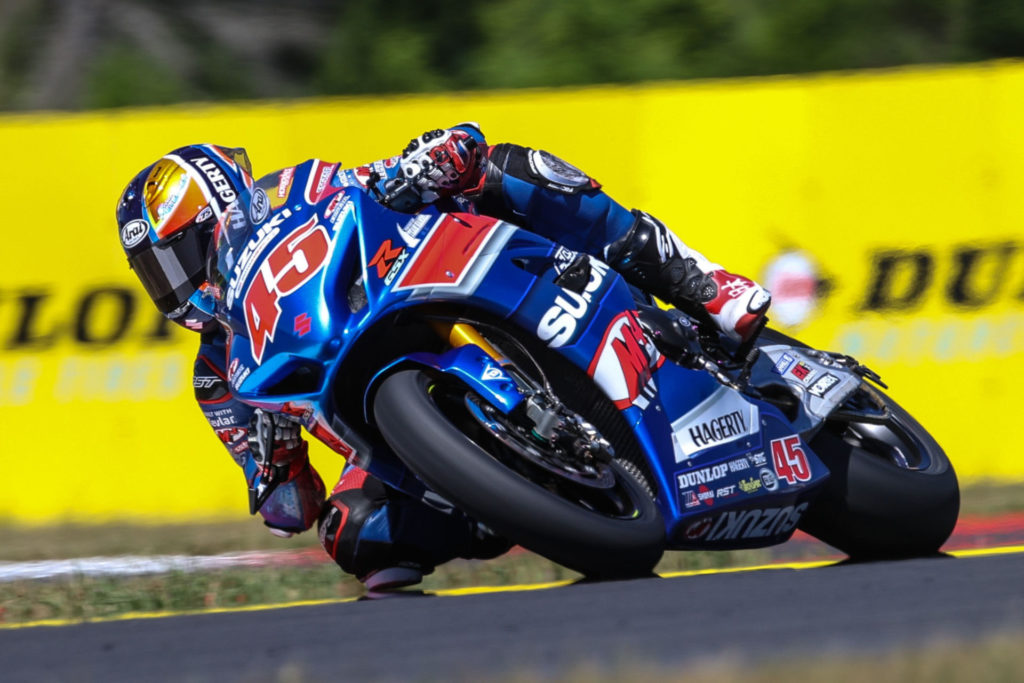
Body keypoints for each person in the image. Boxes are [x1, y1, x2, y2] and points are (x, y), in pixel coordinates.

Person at [115, 125, 771, 591]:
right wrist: (273, 455)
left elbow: (374, 186)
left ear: (225, 208)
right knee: (355, 535)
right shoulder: (216, 374)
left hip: (424, 276)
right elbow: (294, 504)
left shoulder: (297, 186)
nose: (180, 282)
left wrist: (425, 162)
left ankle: (698, 283)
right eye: (159, 273)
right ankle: (506, 499)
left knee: (504, 167)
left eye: (184, 254)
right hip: (394, 445)